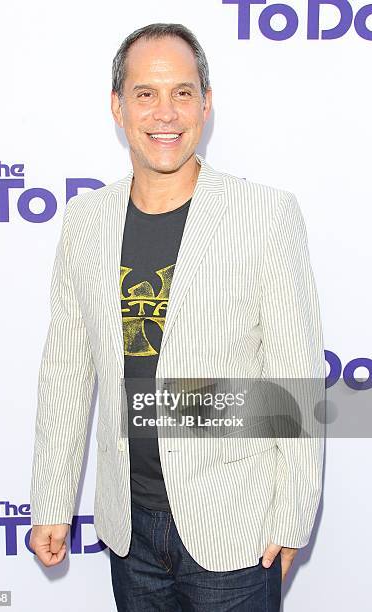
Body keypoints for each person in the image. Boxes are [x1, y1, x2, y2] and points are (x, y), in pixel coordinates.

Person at [29, 22, 325, 611]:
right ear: (118, 107)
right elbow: (66, 372)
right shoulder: (85, 224)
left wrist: (290, 519)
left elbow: (295, 376)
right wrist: (51, 504)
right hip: (130, 532)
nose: (165, 113)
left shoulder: (264, 215)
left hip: (234, 529)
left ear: (206, 104)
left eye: (182, 93)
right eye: (145, 94)